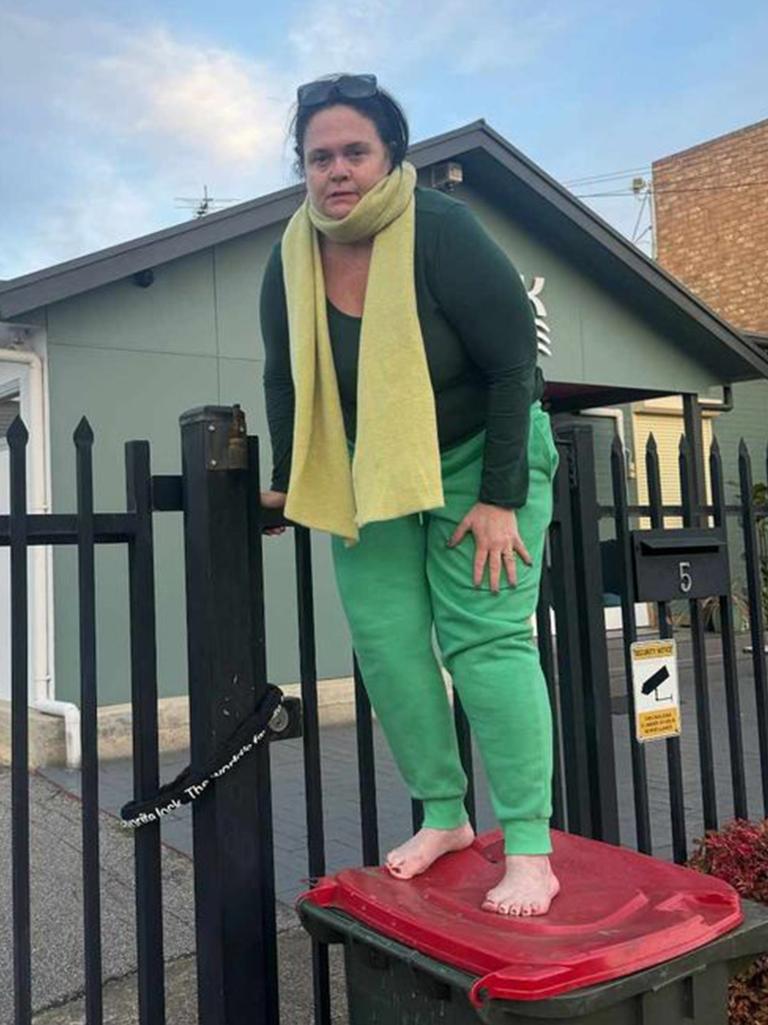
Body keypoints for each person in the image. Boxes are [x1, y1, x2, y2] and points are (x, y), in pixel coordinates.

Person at [259, 72, 561, 917]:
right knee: (390, 647)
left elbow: (514, 367)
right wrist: (291, 480)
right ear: (304, 168)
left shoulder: (442, 231)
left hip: (480, 460)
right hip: (368, 472)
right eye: (320, 157)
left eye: (355, 150)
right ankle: (445, 816)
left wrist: (502, 497)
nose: (337, 170)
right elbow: (286, 381)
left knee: (486, 643)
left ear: (391, 154)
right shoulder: (289, 255)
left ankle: (530, 844)